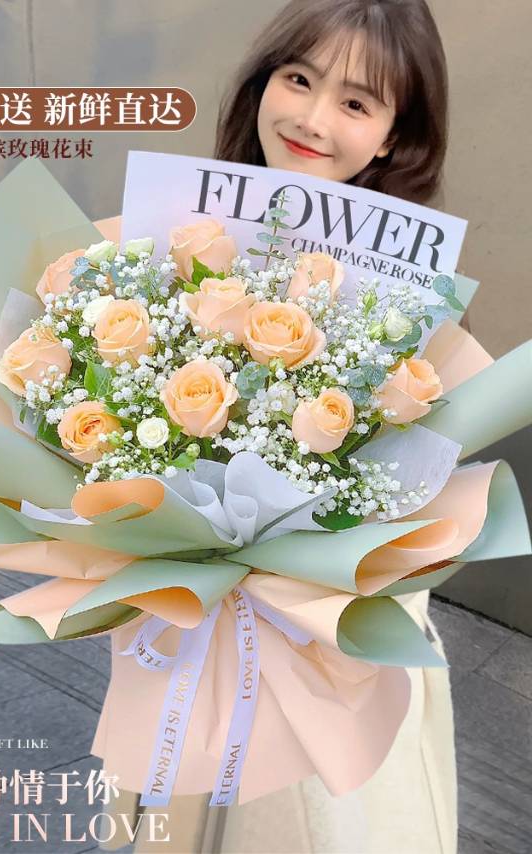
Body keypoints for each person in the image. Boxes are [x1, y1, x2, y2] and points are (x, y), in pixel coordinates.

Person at [96, 1, 460, 850]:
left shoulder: (414, 296)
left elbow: (424, 502)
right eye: (299, 79)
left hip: (324, 646)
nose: (311, 117)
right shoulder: (184, 241)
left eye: (356, 102)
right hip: (195, 621)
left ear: (395, 139)